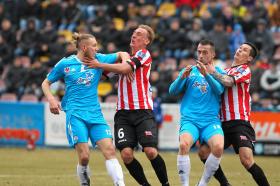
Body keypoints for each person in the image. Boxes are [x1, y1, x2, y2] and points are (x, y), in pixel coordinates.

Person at [83, 24, 170, 186]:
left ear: (147, 41)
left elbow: (123, 68)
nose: (134, 35)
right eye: (134, 33)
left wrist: (100, 64)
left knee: (150, 151)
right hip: (123, 114)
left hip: (143, 111)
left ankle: (166, 184)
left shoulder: (144, 54)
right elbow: (103, 75)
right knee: (126, 155)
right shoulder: (123, 59)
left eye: (139, 34)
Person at [41, 33, 127, 186]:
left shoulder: (99, 59)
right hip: (75, 115)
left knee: (110, 151)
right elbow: (46, 83)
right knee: (85, 157)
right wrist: (52, 99)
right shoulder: (65, 64)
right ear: (84, 47)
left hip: (95, 115)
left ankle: (120, 184)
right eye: (94, 46)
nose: (96, 48)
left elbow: (121, 54)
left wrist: (125, 62)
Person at [204, 42, 270, 186]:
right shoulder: (224, 70)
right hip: (221, 123)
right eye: (240, 47)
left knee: (246, 160)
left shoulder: (245, 70)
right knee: (203, 152)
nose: (240, 50)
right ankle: (225, 183)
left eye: (245, 50)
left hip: (239, 122)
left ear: (249, 58)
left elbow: (228, 82)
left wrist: (212, 72)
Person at [169, 39, 225, 186]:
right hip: (190, 120)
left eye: (205, 52)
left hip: (210, 121)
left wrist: (207, 75)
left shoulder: (218, 72)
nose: (200, 55)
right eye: (199, 51)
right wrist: (182, 77)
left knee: (218, 147)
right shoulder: (189, 71)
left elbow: (220, 90)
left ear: (212, 54)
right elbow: (172, 91)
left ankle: (202, 184)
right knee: (183, 145)